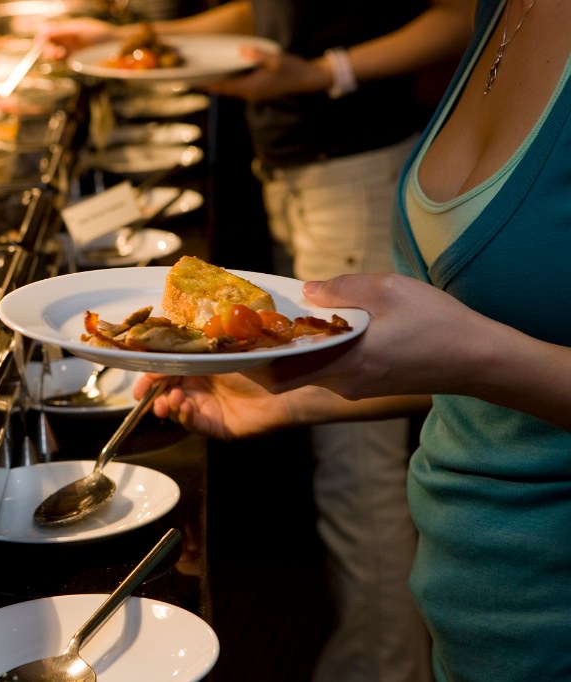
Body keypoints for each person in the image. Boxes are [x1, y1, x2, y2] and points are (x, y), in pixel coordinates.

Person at [129, 0, 571, 678]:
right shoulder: (502, 10)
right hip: (467, 604)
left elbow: (494, 355)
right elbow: (509, 365)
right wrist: (302, 390)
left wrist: (479, 356)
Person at [43, 3, 472, 680]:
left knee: (357, 473)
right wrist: (129, 39)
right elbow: (269, 11)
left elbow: (460, 14)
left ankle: (385, 666)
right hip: (299, 168)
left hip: (354, 163)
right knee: (339, 455)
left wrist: (327, 72)